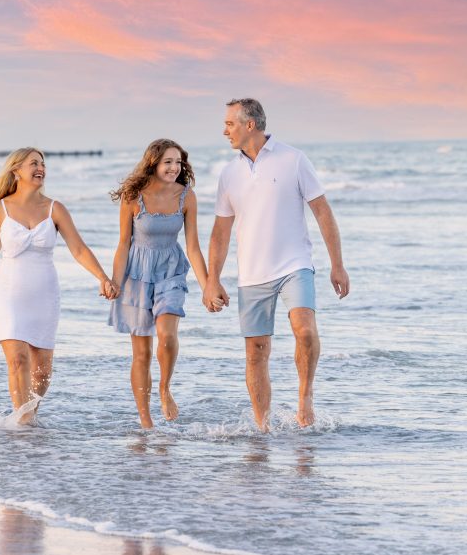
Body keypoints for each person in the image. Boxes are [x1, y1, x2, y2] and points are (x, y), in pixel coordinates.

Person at [203, 98, 350, 430]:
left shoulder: (294, 160)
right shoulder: (228, 174)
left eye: (230, 124)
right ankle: (262, 427)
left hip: (294, 265)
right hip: (251, 273)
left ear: (249, 124)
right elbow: (220, 233)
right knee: (256, 351)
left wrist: (337, 264)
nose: (225, 130)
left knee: (306, 331)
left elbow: (323, 212)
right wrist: (212, 280)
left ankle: (305, 400)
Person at [0, 147, 116, 425]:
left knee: (42, 369)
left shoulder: (55, 208)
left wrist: (102, 276)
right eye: (33, 163)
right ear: (16, 171)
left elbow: (78, 249)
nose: (40, 168)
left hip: (44, 294)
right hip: (7, 292)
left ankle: (28, 415)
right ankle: (24, 425)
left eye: (43, 163)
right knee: (17, 359)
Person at [108, 139, 208, 428]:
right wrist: (115, 281)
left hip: (171, 271)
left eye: (178, 162)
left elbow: (193, 247)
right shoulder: (133, 196)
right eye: (168, 162)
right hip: (136, 275)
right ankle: (146, 422)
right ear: (153, 163)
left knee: (166, 335)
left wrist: (207, 286)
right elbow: (123, 245)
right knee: (140, 353)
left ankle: (165, 389)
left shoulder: (186, 196)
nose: (174, 168)